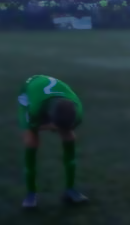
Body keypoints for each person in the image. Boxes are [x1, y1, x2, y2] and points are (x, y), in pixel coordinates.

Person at [17, 75, 87, 208]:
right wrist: (46, 126)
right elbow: (33, 125)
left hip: (48, 96)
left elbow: (69, 128)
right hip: (31, 89)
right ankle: (31, 193)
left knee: (69, 137)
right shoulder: (35, 108)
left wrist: (62, 128)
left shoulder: (78, 111)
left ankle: (70, 189)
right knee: (31, 141)